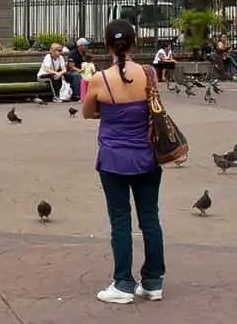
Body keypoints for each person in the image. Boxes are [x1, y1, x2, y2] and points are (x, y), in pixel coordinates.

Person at [79, 20, 164, 305]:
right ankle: (153, 282)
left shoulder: (99, 80)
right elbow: (155, 110)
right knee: (150, 218)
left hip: (113, 159)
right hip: (147, 157)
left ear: (107, 45)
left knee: (120, 221)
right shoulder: (150, 74)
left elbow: (88, 113)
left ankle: (124, 283)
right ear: (135, 42)